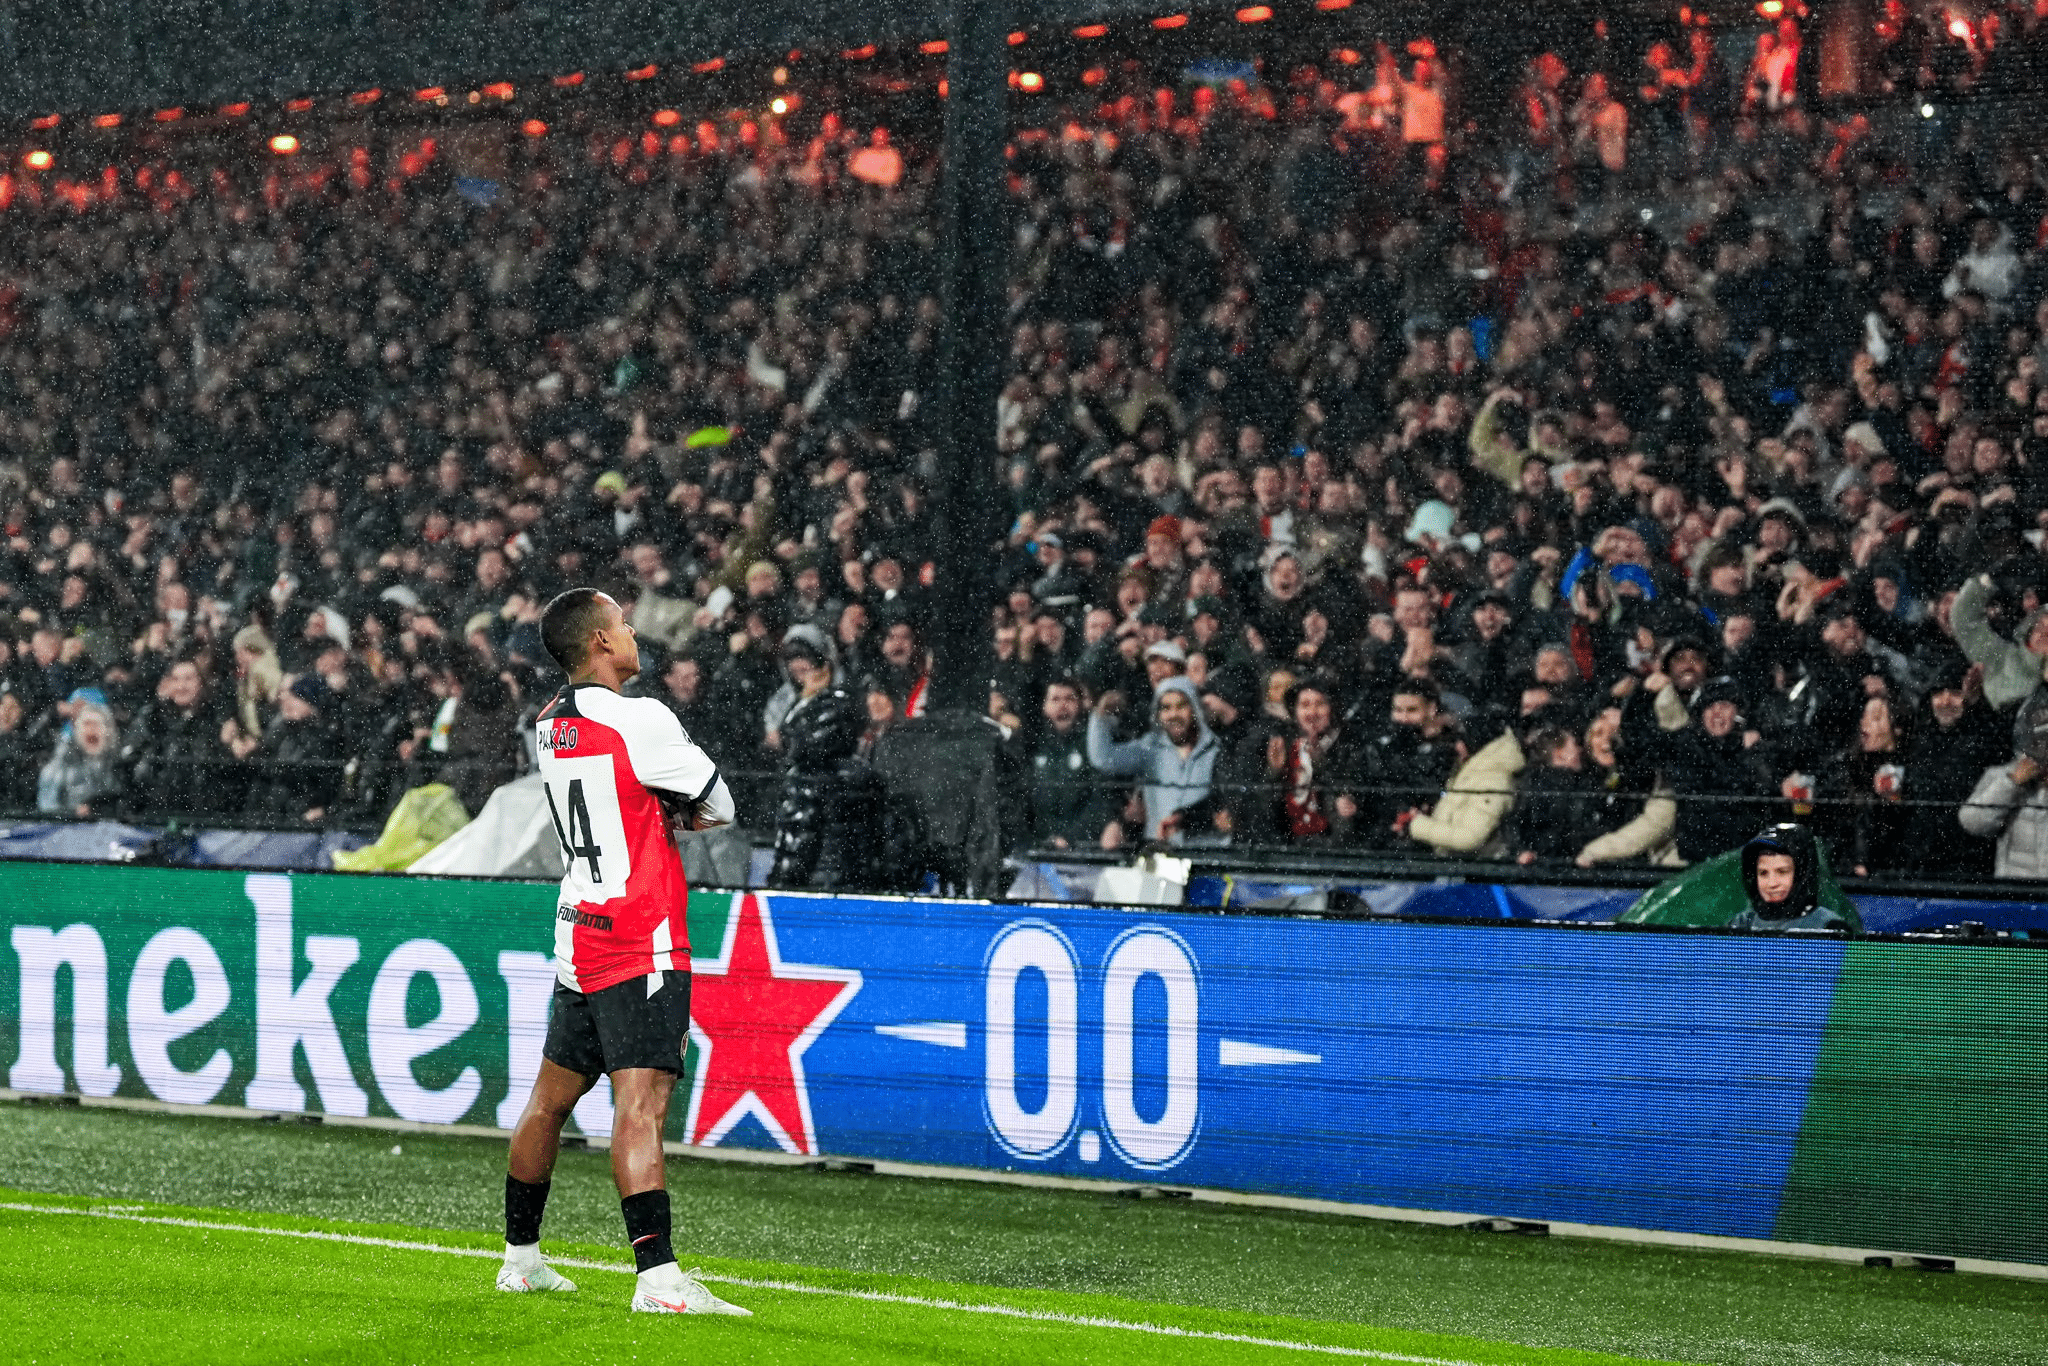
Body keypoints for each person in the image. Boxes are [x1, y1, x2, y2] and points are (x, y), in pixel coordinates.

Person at [499, 588, 748, 1318]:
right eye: (623, 623)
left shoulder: (548, 724)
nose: (635, 631)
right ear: (601, 643)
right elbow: (720, 805)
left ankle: (520, 1260)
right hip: (641, 933)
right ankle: (660, 1280)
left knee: (550, 1101)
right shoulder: (641, 717)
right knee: (640, 1106)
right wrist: (672, 815)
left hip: (579, 925)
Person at [1086, 676, 1219, 845]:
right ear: (1158, 713)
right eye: (1166, 708)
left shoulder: (1216, 749)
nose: (1173, 714)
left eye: (1181, 706)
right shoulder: (1149, 749)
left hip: (1207, 855)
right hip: (1159, 854)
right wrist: (1101, 718)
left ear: (1195, 708)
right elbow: (1103, 759)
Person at [1727, 824, 1849, 930]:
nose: (1772, 883)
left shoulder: (1828, 926)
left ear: (1802, 875)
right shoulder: (1741, 924)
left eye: (1782, 872)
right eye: (1763, 873)